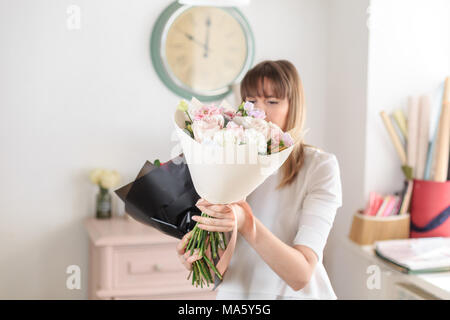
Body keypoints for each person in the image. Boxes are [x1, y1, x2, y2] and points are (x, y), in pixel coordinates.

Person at [176, 60, 342, 299]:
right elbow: (218, 269)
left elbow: (302, 274)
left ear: (293, 106)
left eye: (273, 101)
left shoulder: (320, 167)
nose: (261, 111)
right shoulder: (226, 159)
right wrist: (198, 257)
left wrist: (246, 223)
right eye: (251, 101)